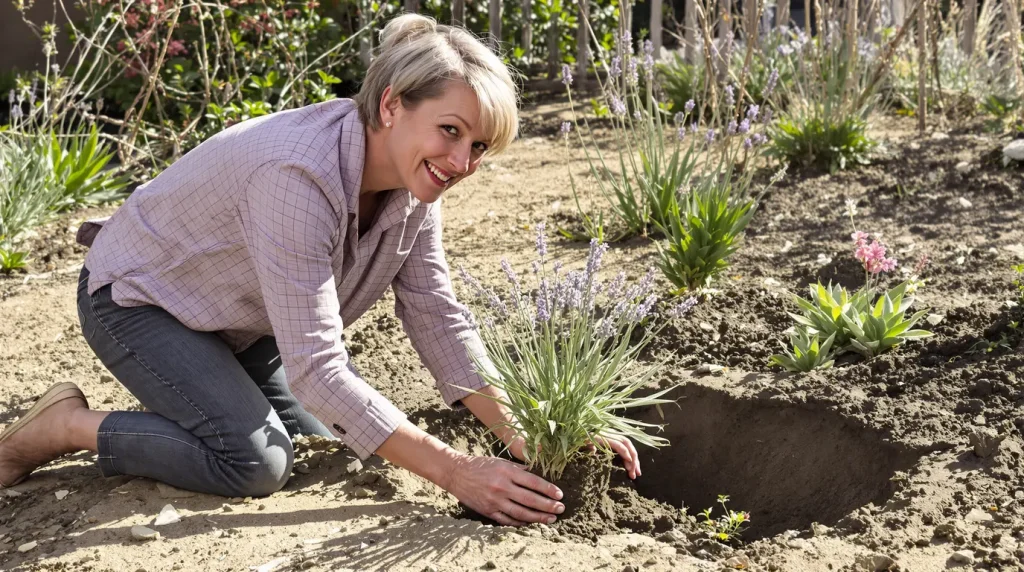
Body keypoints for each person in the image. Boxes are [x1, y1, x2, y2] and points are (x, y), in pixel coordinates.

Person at [0, 14, 640, 526]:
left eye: (477, 146)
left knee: (316, 442)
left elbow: (437, 315)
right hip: (140, 302)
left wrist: (527, 427)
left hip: (238, 322)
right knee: (255, 464)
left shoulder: (412, 189)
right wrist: (455, 470)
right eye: (450, 131)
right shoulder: (296, 174)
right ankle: (65, 427)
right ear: (391, 104)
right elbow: (316, 366)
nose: (461, 161)